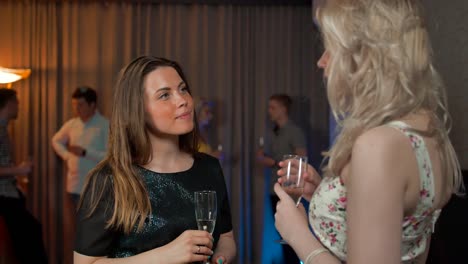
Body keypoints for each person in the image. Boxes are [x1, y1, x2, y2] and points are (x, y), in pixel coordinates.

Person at [273, 0, 464, 264]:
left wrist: (298, 235)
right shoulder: (428, 128)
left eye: (330, 48)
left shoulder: (377, 146)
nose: (321, 62)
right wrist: (327, 196)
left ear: (365, 55)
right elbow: (403, 237)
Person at [73, 56, 236, 264]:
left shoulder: (210, 167)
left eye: (183, 89)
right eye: (165, 95)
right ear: (137, 110)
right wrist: (165, 256)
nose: (183, 100)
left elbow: (226, 237)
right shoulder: (108, 180)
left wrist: (221, 258)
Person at [257, 93, 307, 264]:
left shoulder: (295, 131)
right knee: (283, 234)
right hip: (274, 189)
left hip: (290, 190)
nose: (269, 111)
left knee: (290, 234)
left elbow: (301, 161)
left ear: (283, 109)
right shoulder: (274, 133)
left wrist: (273, 162)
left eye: (272, 107)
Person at [0, 88, 48, 264]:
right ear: (9, 104)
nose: (19, 107)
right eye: (17, 103)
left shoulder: (4, 129)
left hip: (8, 192)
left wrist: (16, 181)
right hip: (3, 195)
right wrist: (19, 171)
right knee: (31, 233)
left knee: (28, 234)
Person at [51, 86, 109, 208]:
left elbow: (111, 157)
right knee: (78, 225)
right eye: (74, 104)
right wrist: (67, 156)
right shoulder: (72, 124)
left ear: (92, 105)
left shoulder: (104, 125)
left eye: (80, 104)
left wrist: (85, 152)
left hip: (96, 187)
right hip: (74, 185)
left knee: (93, 225)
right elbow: (56, 141)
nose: (76, 108)